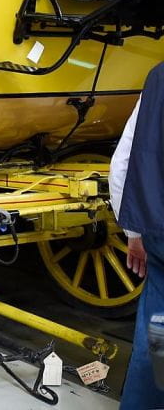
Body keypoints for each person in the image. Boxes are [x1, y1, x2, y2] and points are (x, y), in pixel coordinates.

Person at [111, 62, 164, 409]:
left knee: (158, 331)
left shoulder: (159, 76)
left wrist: (133, 230)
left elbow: (125, 159)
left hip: (160, 231)